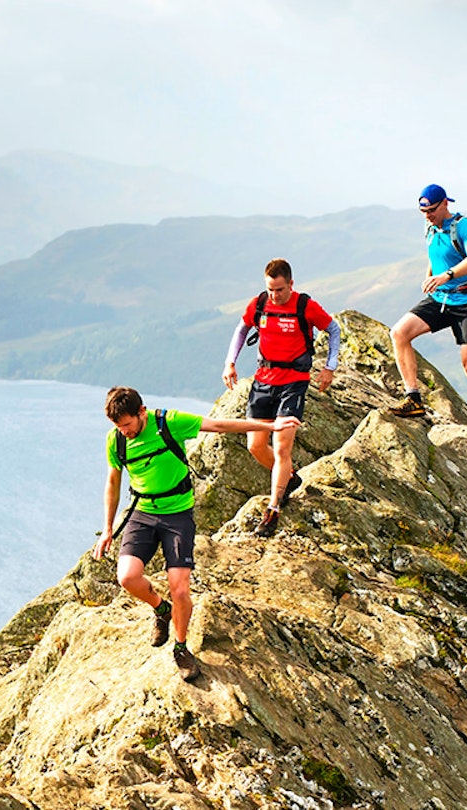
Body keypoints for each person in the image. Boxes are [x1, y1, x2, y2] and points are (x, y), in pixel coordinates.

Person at [94, 386, 301, 682]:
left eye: (127, 424)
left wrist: (270, 425)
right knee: (127, 577)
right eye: (117, 426)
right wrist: (108, 528)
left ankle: (180, 647)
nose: (123, 431)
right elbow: (112, 482)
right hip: (143, 513)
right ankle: (160, 609)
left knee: (180, 588)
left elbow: (218, 425)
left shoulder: (169, 422)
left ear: (142, 412)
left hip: (177, 515)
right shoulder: (116, 440)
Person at [222, 258, 341, 537]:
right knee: (254, 446)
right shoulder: (259, 304)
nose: (274, 295)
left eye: (279, 289)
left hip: (294, 383)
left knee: (282, 447)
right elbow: (241, 330)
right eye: (270, 289)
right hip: (264, 380)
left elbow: (333, 330)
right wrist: (230, 362)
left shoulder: (305, 306)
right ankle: (289, 477)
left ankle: (273, 508)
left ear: (291, 284)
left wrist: (329, 367)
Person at [387, 184, 467, 441]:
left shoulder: (462, 226)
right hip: (440, 299)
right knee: (399, 333)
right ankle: (413, 398)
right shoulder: (429, 227)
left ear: (445, 204)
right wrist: (429, 276)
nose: (427, 215)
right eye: (423, 211)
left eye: (432, 210)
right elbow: (435, 253)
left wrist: (445, 275)